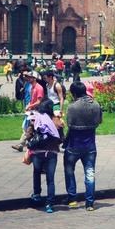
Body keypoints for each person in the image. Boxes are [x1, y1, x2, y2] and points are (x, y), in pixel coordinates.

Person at [63, 81, 102, 211]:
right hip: (90, 144)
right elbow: (99, 121)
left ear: (74, 93)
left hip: (74, 144)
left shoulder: (72, 107)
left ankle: (72, 199)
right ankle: (90, 202)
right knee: (90, 173)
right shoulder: (95, 105)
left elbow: (69, 123)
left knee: (69, 171)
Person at [26, 96, 61, 213]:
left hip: (38, 153)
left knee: (36, 172)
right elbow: (61, 138)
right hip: (52, 153)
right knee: (50, 179)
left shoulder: (35, 118)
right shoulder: (56, 120)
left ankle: (36, 194)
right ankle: (49, 204)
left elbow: (28, 135)